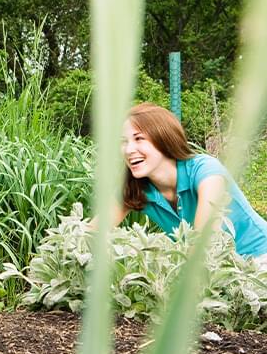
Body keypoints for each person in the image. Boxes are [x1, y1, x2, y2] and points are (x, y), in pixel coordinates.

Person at [112, 102, 267, 268]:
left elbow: (204, 243)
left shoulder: (206, 170)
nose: (129, 150)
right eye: (124, 142)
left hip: (259, 260)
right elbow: (91, 232)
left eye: (139, 139)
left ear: (163, 139)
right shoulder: (135, 187)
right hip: (218, 272)